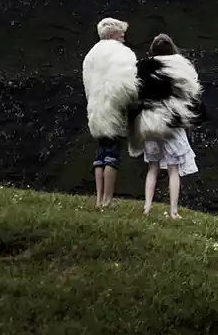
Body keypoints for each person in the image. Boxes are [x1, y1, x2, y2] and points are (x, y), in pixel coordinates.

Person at [128, 33, 205, 219]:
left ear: (153, 50)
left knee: (152, 167)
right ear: (171, 48)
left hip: (148, 122)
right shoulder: (179, 67)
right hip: (171, 121)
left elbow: (133, 92)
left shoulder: (142, 67)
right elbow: (190, 92)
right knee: (173, 169)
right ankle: (173, 211)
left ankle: (146, 208)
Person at [82, 17, 139, 208]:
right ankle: (107, 199)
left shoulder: (91, 55)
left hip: (96, 109)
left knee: (100, 153)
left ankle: (98, 199)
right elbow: (128, 85)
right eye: (122, 35)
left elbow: (88, 85)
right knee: (112, 155)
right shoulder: (122, 53)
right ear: (114, 34)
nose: (124, 38)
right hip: (114, 109)